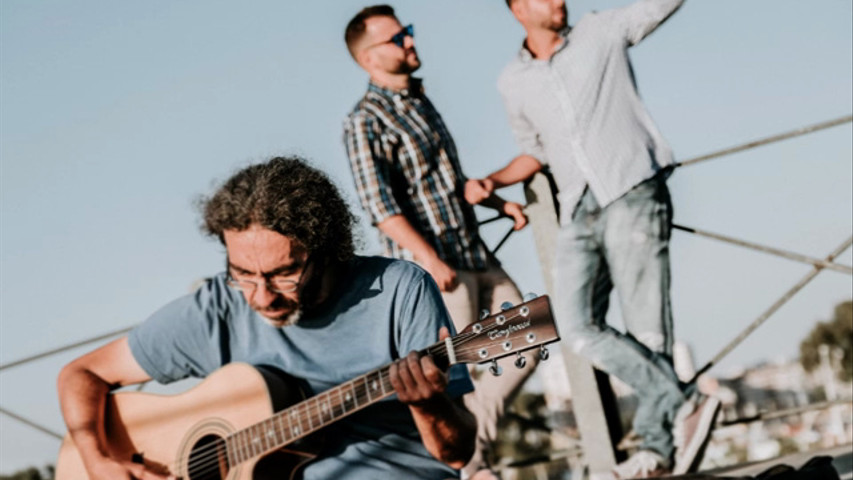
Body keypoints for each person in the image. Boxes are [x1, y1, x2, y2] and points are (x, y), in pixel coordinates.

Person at [56, 156, 477, 480]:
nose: (261, 295)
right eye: (242, 273)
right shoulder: (217, 308)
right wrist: (98, 460)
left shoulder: (397, 290)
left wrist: (430, 405)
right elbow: (81, 375)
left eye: (283, 273)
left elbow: (456, 453)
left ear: (328, 250)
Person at [466, 0, 721, 477]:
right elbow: (533, 152)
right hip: (576, 207)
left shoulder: (601, 31)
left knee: (649, 328)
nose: (560, 0)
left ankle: (655, 451)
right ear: (518, 8)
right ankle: (682, 404)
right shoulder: (512, 82)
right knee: (574, 325)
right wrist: (493, 181)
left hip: (631, 188)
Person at [342, 6, 537, 479]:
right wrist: (429, 260)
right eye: (397, 37)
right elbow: (381, 207)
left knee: (527, 341)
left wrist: (495, 205)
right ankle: (471, 466)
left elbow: (444, 182)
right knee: (457, 376)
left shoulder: (420, 101)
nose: (410, 40)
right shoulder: (364, 121)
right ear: (369, 58)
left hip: (472, 250)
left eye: (408, 31)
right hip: (436, 269)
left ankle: (473, 458)